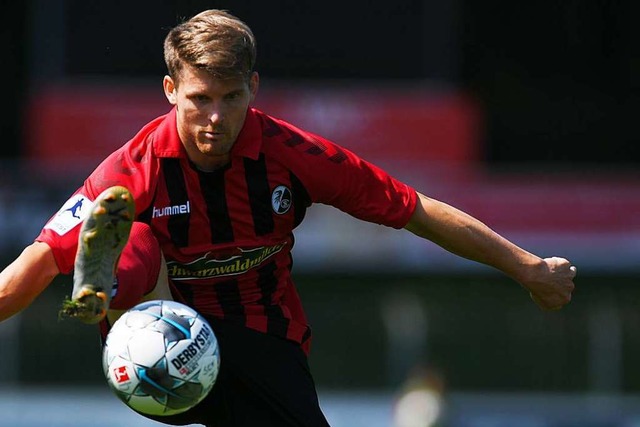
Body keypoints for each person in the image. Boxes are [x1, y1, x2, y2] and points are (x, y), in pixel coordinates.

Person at [0, 8, 576, 427]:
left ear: (253, 88)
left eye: (230, 97)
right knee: (134, 231)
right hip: (156, 354)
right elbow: (35, 261)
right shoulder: (131, 168)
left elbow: (414, 210)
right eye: (200, 98)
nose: (214, 117)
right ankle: (109, 286)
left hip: (263, 338)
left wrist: (526, 267)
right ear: (171, 90)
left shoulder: (294, 156)